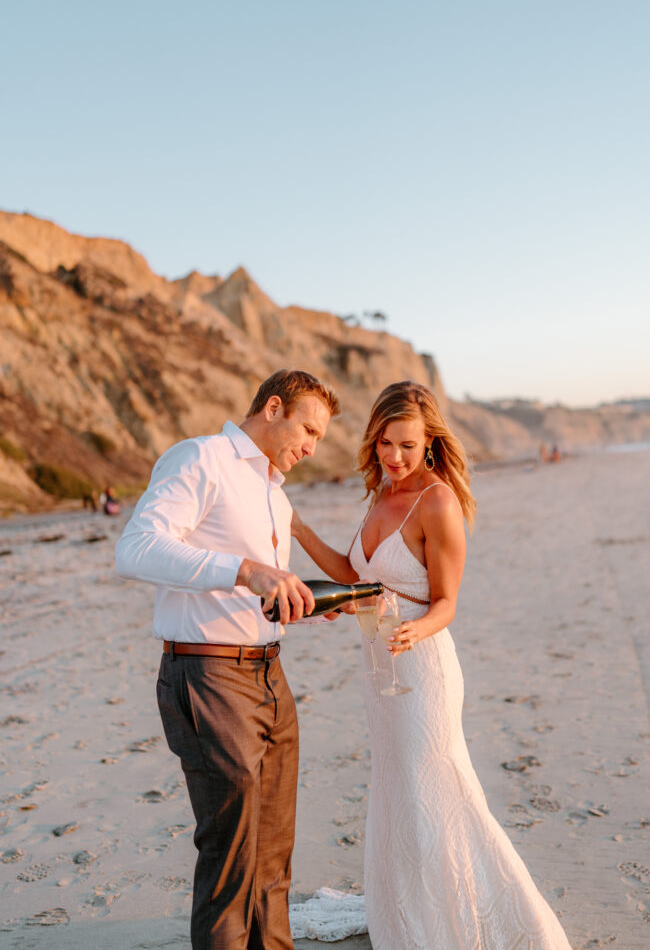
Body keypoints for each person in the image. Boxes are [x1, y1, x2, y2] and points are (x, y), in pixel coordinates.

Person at [292, 380, 572, 950]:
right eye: (385, 444)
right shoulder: (380, 495)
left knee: (436, 790)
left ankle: (469, 914)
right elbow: (353, 575)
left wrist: (415, 628)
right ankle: (409, 906)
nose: (394, 458)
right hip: (380, 671)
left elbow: (446, 601)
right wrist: (297, 529)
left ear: (430, 445)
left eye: (408, 447)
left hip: (422, 670)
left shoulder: (437, 501)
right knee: (397, 789)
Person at [115, 369, 340, 950]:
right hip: (209, 677)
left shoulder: (274, 492)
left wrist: (302, 601)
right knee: (231, 855)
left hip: (270, 674)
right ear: (273, 408)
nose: (311, 449)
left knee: (272, 854)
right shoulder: (200, 459)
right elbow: (136, 548)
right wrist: (244, 569)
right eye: (308, 430)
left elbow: (258, 593)